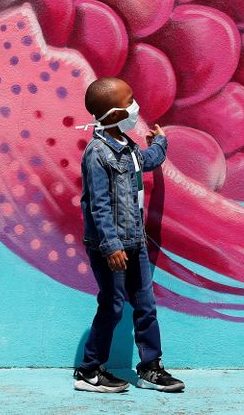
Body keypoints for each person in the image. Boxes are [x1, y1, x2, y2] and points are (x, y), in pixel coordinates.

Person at [72, 77, 185, 394]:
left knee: (146, 306)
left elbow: (147, 161)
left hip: (135, 243)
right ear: (111, 113)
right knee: (112, 306)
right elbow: (99, 205)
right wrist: (110, 246)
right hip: (111, 248)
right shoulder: (97, 154)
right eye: (129, 101)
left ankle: (150, 367)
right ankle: (89, 371)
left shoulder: (128, 146)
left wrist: (159, 143)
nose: (135, 106)